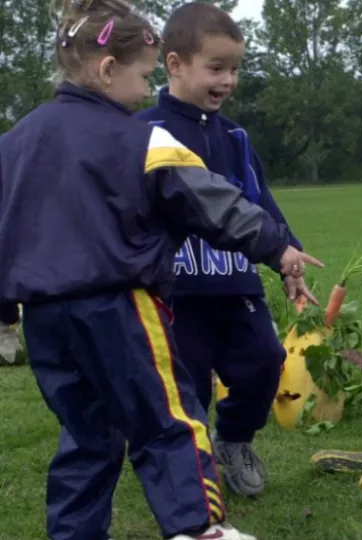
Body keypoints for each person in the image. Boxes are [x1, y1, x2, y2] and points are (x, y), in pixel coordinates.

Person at [0, 1, 323, 539]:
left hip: (46, 321)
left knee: (87, 435)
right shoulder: (141, 138)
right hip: (121, 308)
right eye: (142, 76)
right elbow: (215, 203)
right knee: (168, 420)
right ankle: (199, 528)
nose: (144, 90)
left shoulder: (14, 145)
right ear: (107, 71)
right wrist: (278, 248)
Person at [136, 1, 318, 499]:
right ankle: (189, 471)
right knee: (186, 386)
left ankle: (234, 440)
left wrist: (289, 255)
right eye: (216, 68)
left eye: (235, 69)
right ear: (175, 64)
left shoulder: (235, 137)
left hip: (236, 282)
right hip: (176, 294)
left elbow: (262, 204)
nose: (228, 80)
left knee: (264, 361)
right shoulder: (145, 133)